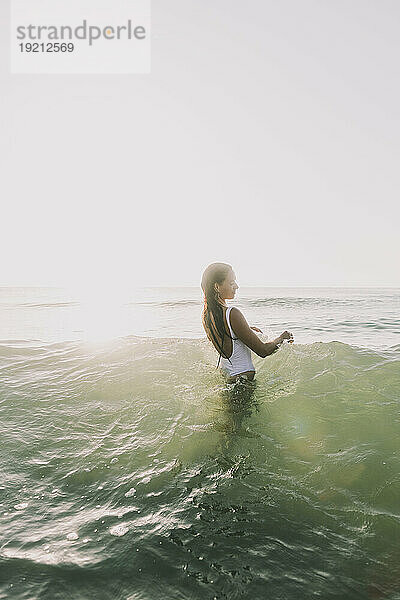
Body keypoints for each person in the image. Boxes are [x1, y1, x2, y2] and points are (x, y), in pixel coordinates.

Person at [201, 262, 294, 383]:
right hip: (242, 384)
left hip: (231, 379)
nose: (236, 286)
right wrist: (282, 337)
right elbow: (263, 351)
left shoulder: (207, 316)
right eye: (231, 283)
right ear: (217, 287)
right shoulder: (232, 313)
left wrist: (246, 329)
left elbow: (226, 336)